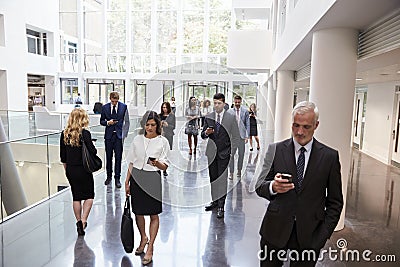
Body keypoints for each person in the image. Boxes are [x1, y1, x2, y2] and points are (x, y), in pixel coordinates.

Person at [255, 101, 343, 266]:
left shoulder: (330, 157)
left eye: (306, 127)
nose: (299, 132)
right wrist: (273, 187)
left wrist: (322, 236)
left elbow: (335, 202)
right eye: (295, 125)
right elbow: (259, 185)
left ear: (316, 125)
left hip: (309, 236)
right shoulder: (275, 150)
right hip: (274, 231)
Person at [124, 111, 169, 266]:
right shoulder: (137, 139)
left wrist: (156, 163)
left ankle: (150, 248)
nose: (149, 127)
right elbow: (131, 161)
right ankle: (143, 237)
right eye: (147, 124)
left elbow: (165, 166)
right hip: (137, 177)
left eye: (153, 125)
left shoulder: (163, 142)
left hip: (152, 178)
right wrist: (126, 181)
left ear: (158, 126)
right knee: (138, 212)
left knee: (154, 214)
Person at [201, 93, 240, 219]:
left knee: (222, 180)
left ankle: (222, 206)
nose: (216, 105)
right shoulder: (209, 117)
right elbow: (202, 134)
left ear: (223, 104)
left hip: (224, 153)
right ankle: (215, 202)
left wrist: (231, 152)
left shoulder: (230, 117)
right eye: (215, 103)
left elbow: (235, 136)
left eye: (219, 103)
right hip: (211, 153)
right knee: (213, 178)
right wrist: (206, 132)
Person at [60, 108, 98, 236]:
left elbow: (63, 157)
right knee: (89, 196)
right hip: (84, 169)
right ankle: (83, 221)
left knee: (76, 197)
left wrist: (67, 171)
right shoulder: (85, 133)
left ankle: (77, 221)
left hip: (71, 169)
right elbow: (92, 151)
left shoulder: (64, 134)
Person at [100, 91, 130, 188]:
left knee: (118, 158)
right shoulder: (104, 107)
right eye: (113, 101)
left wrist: (124, 135)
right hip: (108, 136)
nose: (114, 103)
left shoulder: (123, 107)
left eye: (116, 101)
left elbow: (127, 122)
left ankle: (117, 178)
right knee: (108, 157)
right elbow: (101, 121)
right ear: (110, 99)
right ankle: (109, 177)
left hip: (119, 137)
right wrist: (108, 122)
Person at [228, 95, 250, 180]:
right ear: (234, 101)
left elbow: (247, 124)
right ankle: (231, 172)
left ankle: (239, 171)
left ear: (241, 102)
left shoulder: (245, 111)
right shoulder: (229, 111)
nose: (237, 103)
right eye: (236, 102)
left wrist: (247, 136)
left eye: (238, 102)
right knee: (231, 155)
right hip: (232, 137)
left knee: (241, 155)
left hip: (241, 136)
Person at [159, 101, 176, 176]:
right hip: (160, 136)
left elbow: (173, 127)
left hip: (169, 135)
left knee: (166, 153)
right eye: (163, 107)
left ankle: (165, 169)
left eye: (166, 107)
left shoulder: (172, 116)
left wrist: (167, 125)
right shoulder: (159, 116)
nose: (164, 109)